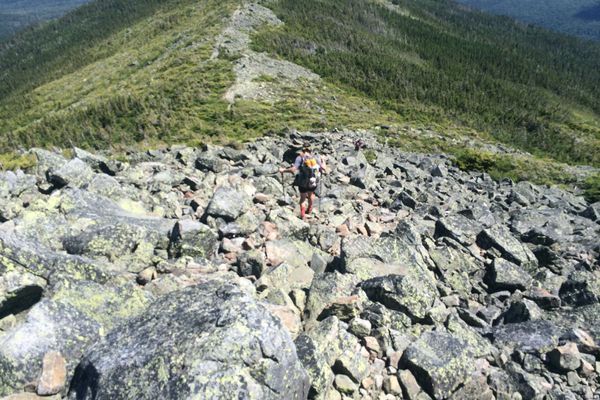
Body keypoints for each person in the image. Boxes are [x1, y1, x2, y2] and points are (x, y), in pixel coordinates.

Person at [280, 143, 327, 219]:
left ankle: (303, 215)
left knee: (302, 198)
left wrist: (283, 170)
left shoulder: (300, 158)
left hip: (303, 182)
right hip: (313, 181)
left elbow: (293, 169)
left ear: (302, 149)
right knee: (311, 194)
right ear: (310, 149)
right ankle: (310, 209)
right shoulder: (316, 157)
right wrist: (323, 160)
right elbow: (324, 168)